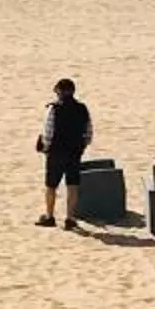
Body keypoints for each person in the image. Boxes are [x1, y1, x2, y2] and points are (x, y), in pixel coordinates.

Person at [37, 76, 93, 229]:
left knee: (51, 185)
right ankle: (70, 218)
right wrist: (83, 146)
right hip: (74, 151)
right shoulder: (82, 108)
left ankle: (49, 216)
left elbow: (48, 131)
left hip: (56, 151)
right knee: (72, 185)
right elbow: (88, 132)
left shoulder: (54, 109)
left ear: (58, 92)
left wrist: (46, 147)